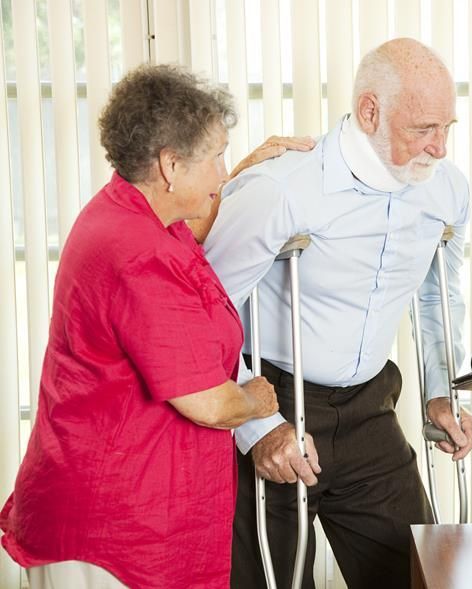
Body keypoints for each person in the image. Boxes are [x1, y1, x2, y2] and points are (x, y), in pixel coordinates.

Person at [0, 64, 313, 588]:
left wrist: (237, 181)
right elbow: (210, 404)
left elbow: (194, 221)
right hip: (114, 530)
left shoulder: (137, 211)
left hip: (132, 513)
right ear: (170, 164)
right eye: (216, 157)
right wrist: (261, 399)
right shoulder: (135, 252)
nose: (221, 170)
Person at [203, 38, 472, 588]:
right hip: (276, 396)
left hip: (370, 406)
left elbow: (437, 298)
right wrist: (257, 428)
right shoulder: (281, 188)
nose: (440, 147)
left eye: (447, 126)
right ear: (370, 111)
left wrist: (442, 390)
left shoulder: (446, 190)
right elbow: (205, 311)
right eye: (424, 128)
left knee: (415, 575)